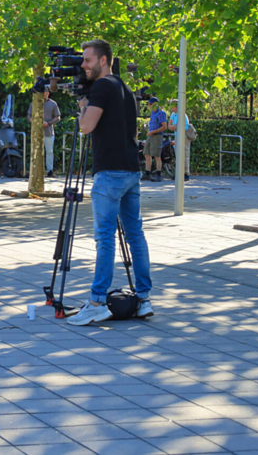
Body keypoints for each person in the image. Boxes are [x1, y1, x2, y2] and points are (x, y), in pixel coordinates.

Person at [68, 39, 153, 326]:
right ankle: (143, 299)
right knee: (135, 235)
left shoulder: (102, 86)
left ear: (103, 60)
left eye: (88, 60)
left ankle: (96, 302)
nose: (83, 65)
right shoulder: (124, 88)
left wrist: (83, 105)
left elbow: (86, 126)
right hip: (131, 170)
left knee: (104, 238)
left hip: (110, 173)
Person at [28, 90, 61, 177]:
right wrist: (36, 122)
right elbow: (29, 116)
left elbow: (58, 117)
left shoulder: (53, 104)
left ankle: (49, 170)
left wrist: (49, 123)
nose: (43, 94)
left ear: (48, 93)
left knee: (49, 152)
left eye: (45, 93)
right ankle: (36, 171)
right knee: (36, 151)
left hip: (48, 132)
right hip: (36, 132)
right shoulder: (35, 102)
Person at [167, 101, 195, 181]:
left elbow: (185, 127)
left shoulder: (183, 115)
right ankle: (179, 173)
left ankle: (186, 173)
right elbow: (169, 126)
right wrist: (175, 127)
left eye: (172, 106)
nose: (171, 107)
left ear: (177, 106)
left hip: (184, 137)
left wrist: (175, 127)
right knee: (177, 155)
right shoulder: (173, 115)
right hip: (177, 136)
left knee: (185, 155)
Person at [143, 97, 167, 182]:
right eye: (149, 104)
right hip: (150, 135)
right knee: (147, 154)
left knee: (157, 155)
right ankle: (147, 173)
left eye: (151, 104)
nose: (149, 105)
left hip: (157, 136)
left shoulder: (161, 113)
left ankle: (158, 174)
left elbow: (164, 127)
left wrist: (153, 131)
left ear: (156, 104)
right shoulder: (152, 113)